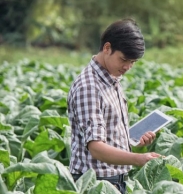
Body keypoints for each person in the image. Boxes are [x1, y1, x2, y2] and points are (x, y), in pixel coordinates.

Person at [67, 18, 161, 193]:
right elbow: (96, 148)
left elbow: (107, 133)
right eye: (124, 59)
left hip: (114, 182)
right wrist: (137, 158)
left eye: (132, 62)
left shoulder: (112, 79)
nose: (127, 67)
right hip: (95, 185)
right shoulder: (89, 87)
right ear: (107, 48)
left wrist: (133, 141)